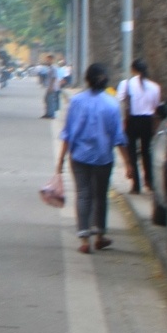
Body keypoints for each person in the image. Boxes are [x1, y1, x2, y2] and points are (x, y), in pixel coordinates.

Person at [56, 62, 129, 253]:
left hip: (79, 156)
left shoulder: (77, 102)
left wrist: (61, 160)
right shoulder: (112, 104)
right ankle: (100, 236)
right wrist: (128, 164)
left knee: (83, 194)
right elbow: (119, 137)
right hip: (103, 157)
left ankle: (84, 240)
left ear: (87, 79)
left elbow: (68, 133)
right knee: (100, 196)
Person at [116, 58, 163, 193]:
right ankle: (149, 181)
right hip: (148, 121)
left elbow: (120, 100)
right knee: (147, 151)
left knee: (132, 153)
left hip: (132, 121)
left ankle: (136, 185)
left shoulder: (126, 84)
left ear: (133, 70)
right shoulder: (155, 87)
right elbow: (156, 107)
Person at [38, 54, 60, 118]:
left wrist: (51, 87)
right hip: (50, 86)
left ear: (52, 60)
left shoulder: (53, 68)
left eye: (48, 60)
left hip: (52, 87)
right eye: (46, 60)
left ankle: (51, 114)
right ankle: (48, 113)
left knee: (50, 101)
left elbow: (54, 78)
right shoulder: (50, 68)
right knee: (47, 100)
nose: (47, 61)